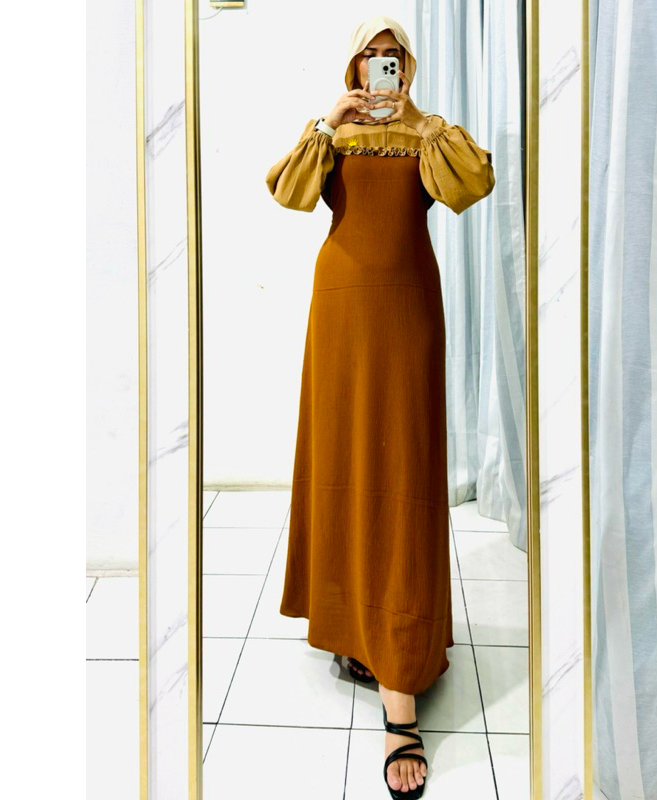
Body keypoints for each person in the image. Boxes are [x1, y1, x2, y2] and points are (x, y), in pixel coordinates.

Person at [265, 15, 495, 799]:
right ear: (355, 68)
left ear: (408, 67)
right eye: (371, 57)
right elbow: (288, 193)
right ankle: (352, 627)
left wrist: (425, 124)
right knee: (343, 466)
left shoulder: (428, 134)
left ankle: (399, 668)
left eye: (394, 57)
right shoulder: (334, 136)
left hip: (408, 313)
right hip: (339, 311)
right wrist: (327, 124)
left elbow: (471, 187)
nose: (382, 68)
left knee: (402, 474)